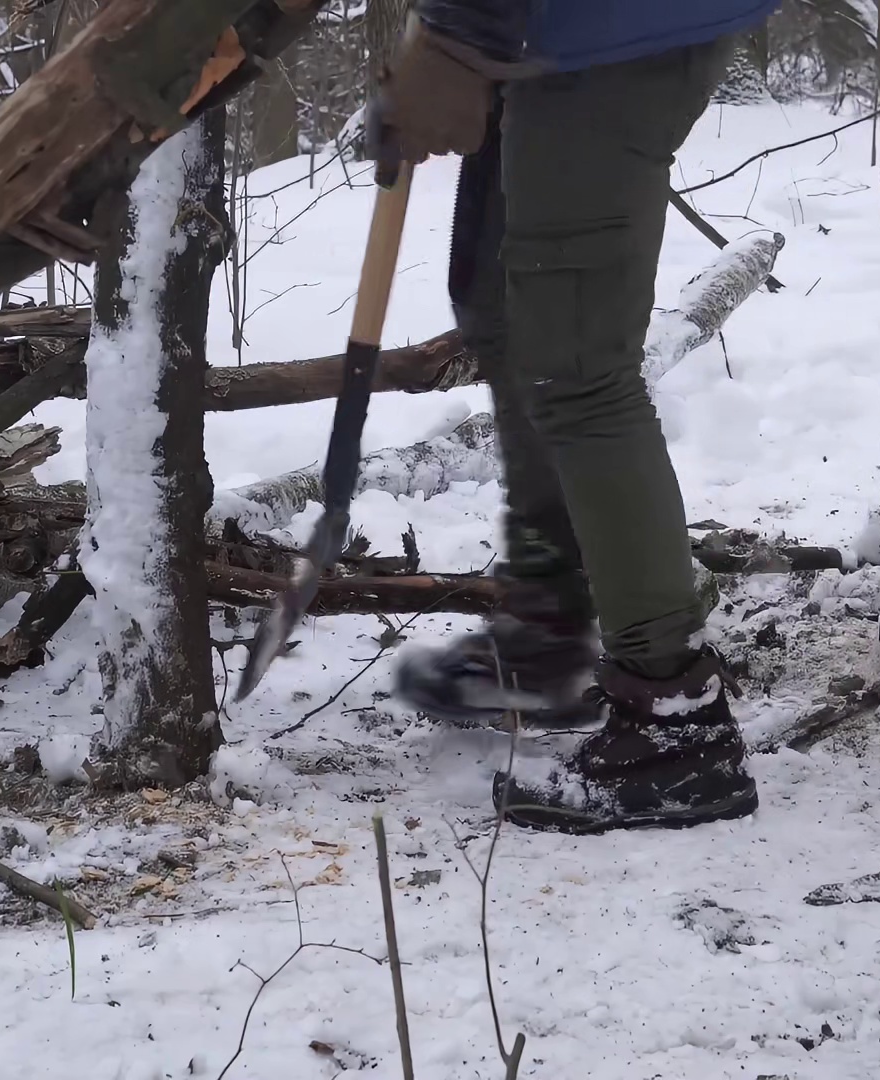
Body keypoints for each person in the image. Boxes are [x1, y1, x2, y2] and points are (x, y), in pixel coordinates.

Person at [375, 0, 780, 834]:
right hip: (552, 28)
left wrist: (461, 31)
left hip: (606, 28)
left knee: (581, 368)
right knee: (504, 315)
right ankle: (551, 621)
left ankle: (676, 721)